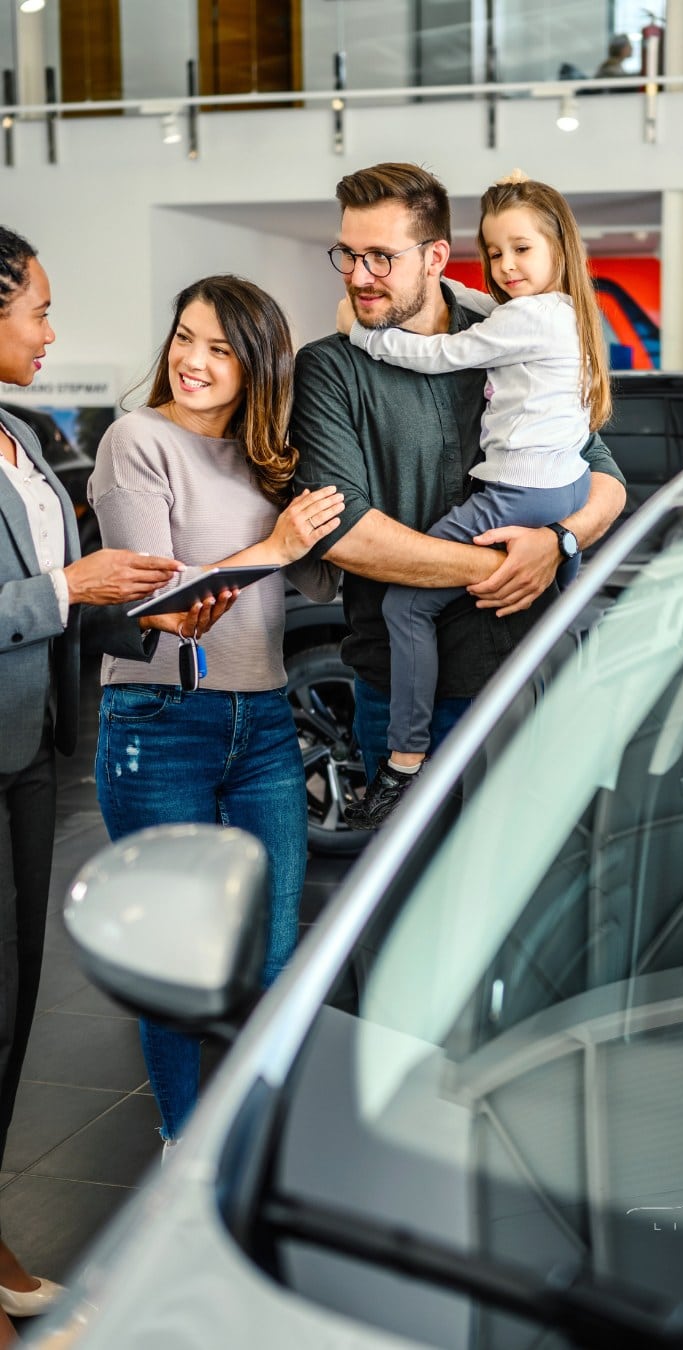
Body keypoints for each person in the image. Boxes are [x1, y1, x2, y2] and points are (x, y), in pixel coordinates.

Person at [0, 226, 204, 1341]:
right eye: (36, 307)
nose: (52, 329)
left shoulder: (24, 435)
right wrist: (64, 585)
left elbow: (67, 599)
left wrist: (147, 610)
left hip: (31, 753)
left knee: (18, 1003)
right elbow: (44, 590)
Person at [88, 275, 345, 1154]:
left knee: (271, 952)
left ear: (256, 367)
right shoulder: (139, 440)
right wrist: (274, 545)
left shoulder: (266, 458)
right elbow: (154, 601)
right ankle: (184, 1140)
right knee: (176, 957)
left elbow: (317, 576)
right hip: (162, 719)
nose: (192, 362)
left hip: (265, 722)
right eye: (185, 338)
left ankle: (248, 1139)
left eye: (220, 349)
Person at [291, 162, 625, 818]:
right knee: (415, 907)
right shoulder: (330, 367)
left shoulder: (507, 340)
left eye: (381, 258)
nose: (359, 276)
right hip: (401, 691)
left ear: (436, 256)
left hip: (523, 671)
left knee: (529, 894)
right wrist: (508, 562)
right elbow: (345, 532)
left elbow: (606, 480)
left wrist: (558, 541)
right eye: (349, 255)